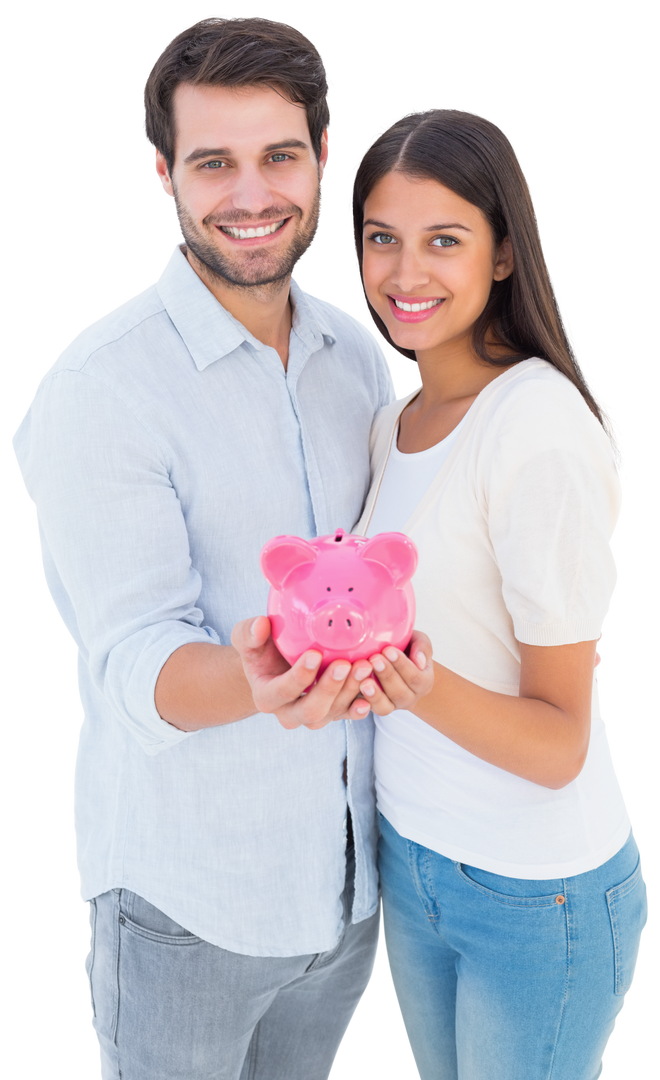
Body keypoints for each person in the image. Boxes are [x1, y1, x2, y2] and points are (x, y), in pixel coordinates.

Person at [9, 15, 433, 1080]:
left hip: (346, 901)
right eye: (214, 164)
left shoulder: (359, 359)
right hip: (188, 903)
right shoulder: (98, 390)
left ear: (325, 155)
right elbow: (131, 657)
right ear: (163, 173)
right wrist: (258, 678)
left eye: (279, 156)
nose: (253, 196)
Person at [340, 105, 650, 1078]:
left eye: (444, 240)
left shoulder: (536, 429)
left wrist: (411, 683)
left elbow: (559, 741)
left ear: (504, 254)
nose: (405, 273)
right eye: (382, 238)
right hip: (416, 860)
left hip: (536, 896)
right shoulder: (393, 424)